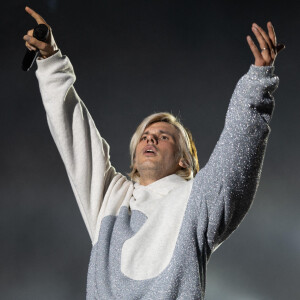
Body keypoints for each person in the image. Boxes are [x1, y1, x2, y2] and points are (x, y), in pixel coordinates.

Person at [23, 6, 284, 300]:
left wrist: (257, 82)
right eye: (145, 136)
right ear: (134, 157)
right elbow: (75, 134)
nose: (151, 139)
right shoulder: (111, 197)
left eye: (163, 137)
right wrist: (50, 60)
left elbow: (233, 163)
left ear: (183, 158)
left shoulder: (195, 201)